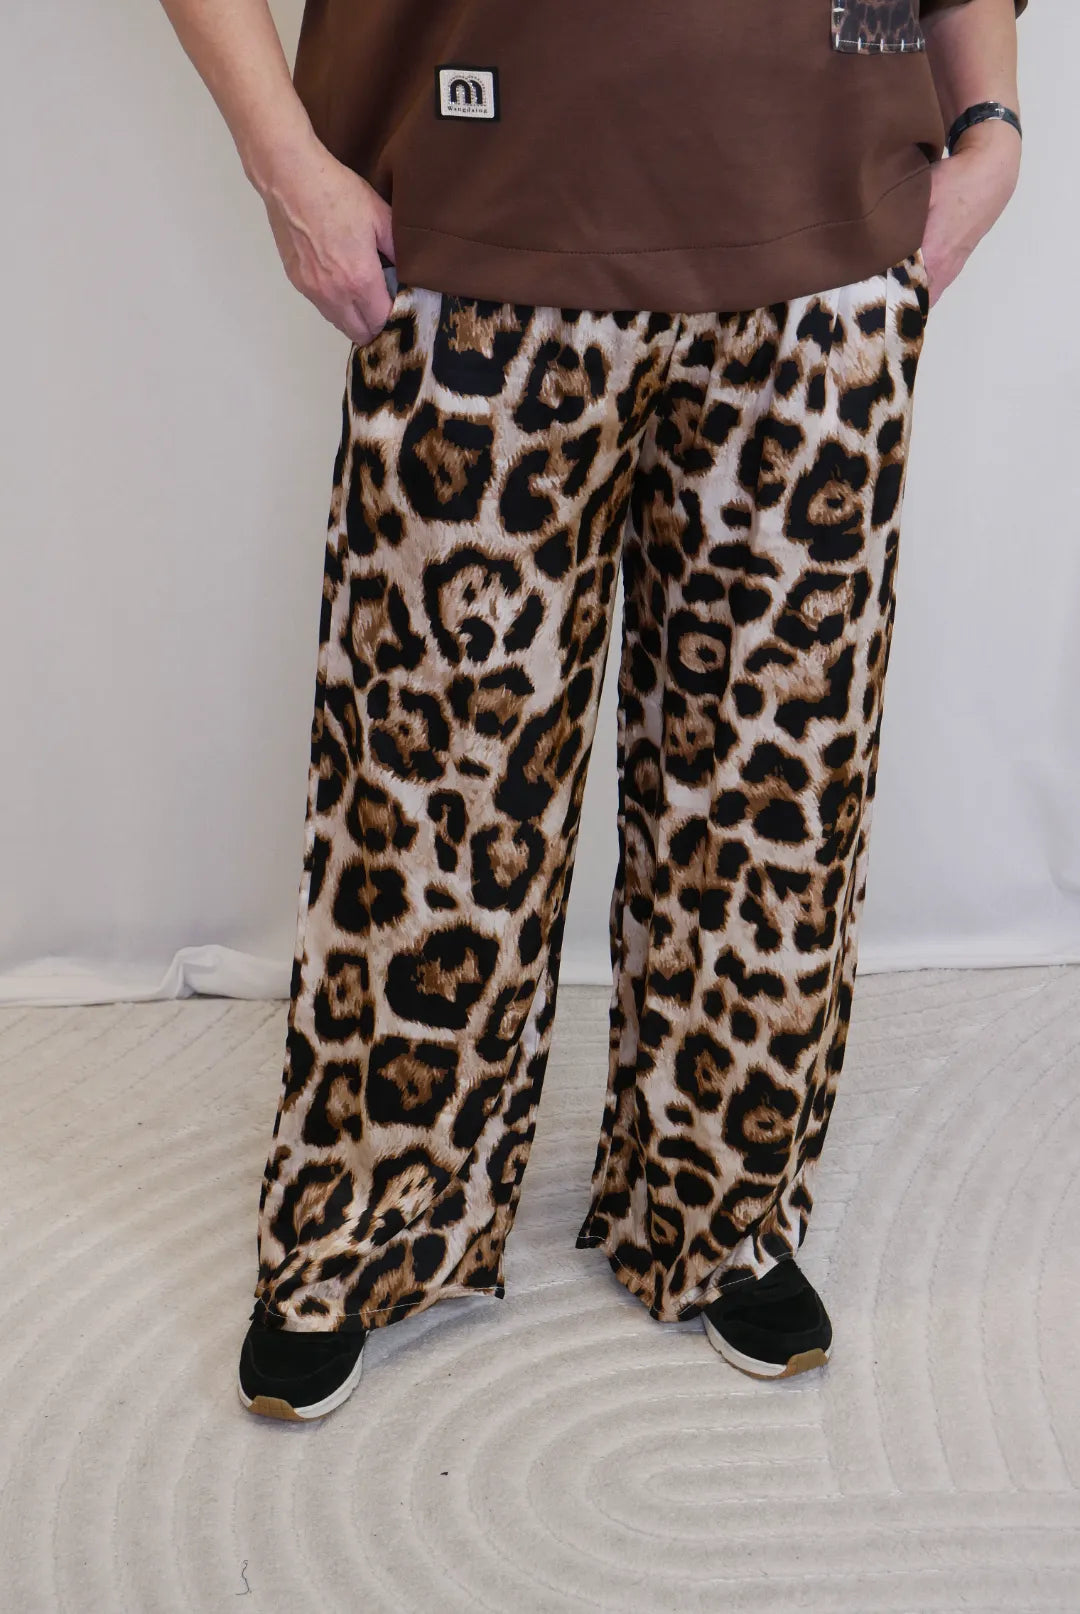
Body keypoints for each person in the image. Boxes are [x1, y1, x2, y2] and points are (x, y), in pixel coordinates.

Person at [158, 0, 1027, 1421]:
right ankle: (368, 1224)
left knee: (773, 805)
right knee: (437, 802)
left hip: (825, 249)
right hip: (478, 231)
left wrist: (991, 125)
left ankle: (724, 1207)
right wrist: (286, 162)